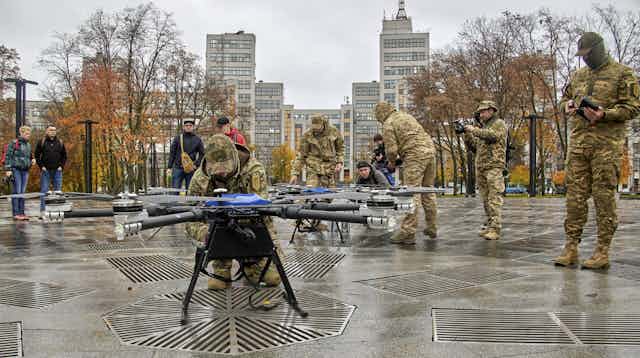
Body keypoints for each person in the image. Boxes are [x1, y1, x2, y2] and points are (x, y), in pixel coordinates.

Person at [554, 32, 640, 269]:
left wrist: (604, 114)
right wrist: (567, 106)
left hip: (606, 146)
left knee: (603, 197)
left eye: (588, 54)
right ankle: (571, 246)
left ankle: (602, 250)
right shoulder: (578, 75)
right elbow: (564, 98)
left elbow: (632, 108)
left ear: (599, 49)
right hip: (579, 144)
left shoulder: (623, 73)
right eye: (581, 55)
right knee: (574, 197)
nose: (585, 59)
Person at [185, 134, 280, 290]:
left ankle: (250, 264)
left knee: (272, 279)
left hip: (251, 231)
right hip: (218, 234)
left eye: (225, 168)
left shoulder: (253, 170)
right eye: (217, 169)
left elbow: (263, 213)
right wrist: (204, 234)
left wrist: (267, 245)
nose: (222, 173)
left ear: (234, 158)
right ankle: (222, 267)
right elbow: (191, 216)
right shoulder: (200, 178)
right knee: (217, 285)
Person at [375, 102, 437, 244]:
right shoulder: (407, 116)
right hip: (430, 152)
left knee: (411, 192)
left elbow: (391, 150)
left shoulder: (388, 123)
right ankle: (432, 226)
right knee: (428, 191)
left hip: (414, 155)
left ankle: (407, 232)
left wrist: (391, 163)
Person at [462, 101, 507, 241]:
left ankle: (495, 228)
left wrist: (473, 130)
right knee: (485, 199)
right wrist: (466, 134)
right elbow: (475, 147)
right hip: (481, 166)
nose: (481, 115)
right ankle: (489, 224)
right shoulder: (483, 128)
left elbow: (493, 136)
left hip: (494, 166)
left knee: (494, 197)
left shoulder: (498, 123)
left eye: (483, 111)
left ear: (492, 110)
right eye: (479, 112)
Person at [290, 114, 344, 187]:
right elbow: (301, 155)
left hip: (329, 168)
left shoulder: (333, 132)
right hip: (313, 167)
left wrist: (339, 162)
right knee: (311, 191)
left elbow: (340, 148)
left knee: (329, 194)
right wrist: (295, 173)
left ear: (323, 124)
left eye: (318, 128)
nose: (316, 130)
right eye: (314, 128)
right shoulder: (307, 135)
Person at [4, 126, 36, 220]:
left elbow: (29, 155)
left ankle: (22, 213)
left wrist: (32, 160)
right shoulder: (14, 143)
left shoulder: (28, 144)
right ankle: (16, 213)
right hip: (15, 169)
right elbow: (8, 156)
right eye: (26, 133)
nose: (28, 135)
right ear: (21, 133)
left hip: (25, 170)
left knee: (22, 192)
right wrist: (8, 169)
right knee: (17, 191)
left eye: (29, 134)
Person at [35, 126, 66, 215]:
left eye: (54, 130)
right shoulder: (42, 142)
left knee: (58, 192)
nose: (53, 132)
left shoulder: (60, 142)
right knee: (44, 191)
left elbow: (64, 156)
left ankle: (57, 211)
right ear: (47, 131)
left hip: (57, 171)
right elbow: (37, 155)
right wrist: (41, 166)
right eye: (51, 130)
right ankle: (43, 211)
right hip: (46, 171)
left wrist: (61, 166)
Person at [167, 119, 205, 189]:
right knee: (174, 190)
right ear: (184, 127)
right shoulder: (177, 138)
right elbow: (172, 152)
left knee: (190, 191)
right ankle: (175, 200)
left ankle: (190, 200)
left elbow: (202, 154)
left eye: (190, 125)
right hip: (178, 167)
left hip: (191, 168)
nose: (188, 127)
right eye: (186, 125)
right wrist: (169, 167)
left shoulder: (197, 139)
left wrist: (196, 164)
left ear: (193, 127)